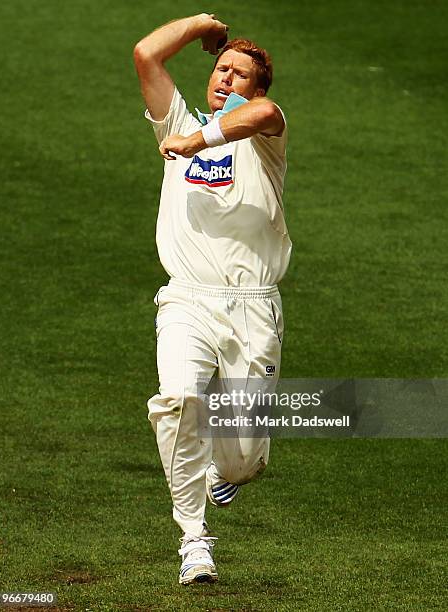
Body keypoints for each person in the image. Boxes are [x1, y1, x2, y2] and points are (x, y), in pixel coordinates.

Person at [133, 13, 292, 585]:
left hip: (253, 307)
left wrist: (200, 139)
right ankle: (195, 541)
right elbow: (147, 55)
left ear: (256, 87)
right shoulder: (175, 121)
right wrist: (202, 24)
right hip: (188, 300)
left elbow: (265, 116)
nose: (227, 79)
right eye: (222, 69)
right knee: (177, 404)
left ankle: (227, 469)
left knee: (239, 458)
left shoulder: (262, 139)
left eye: (241, 75)